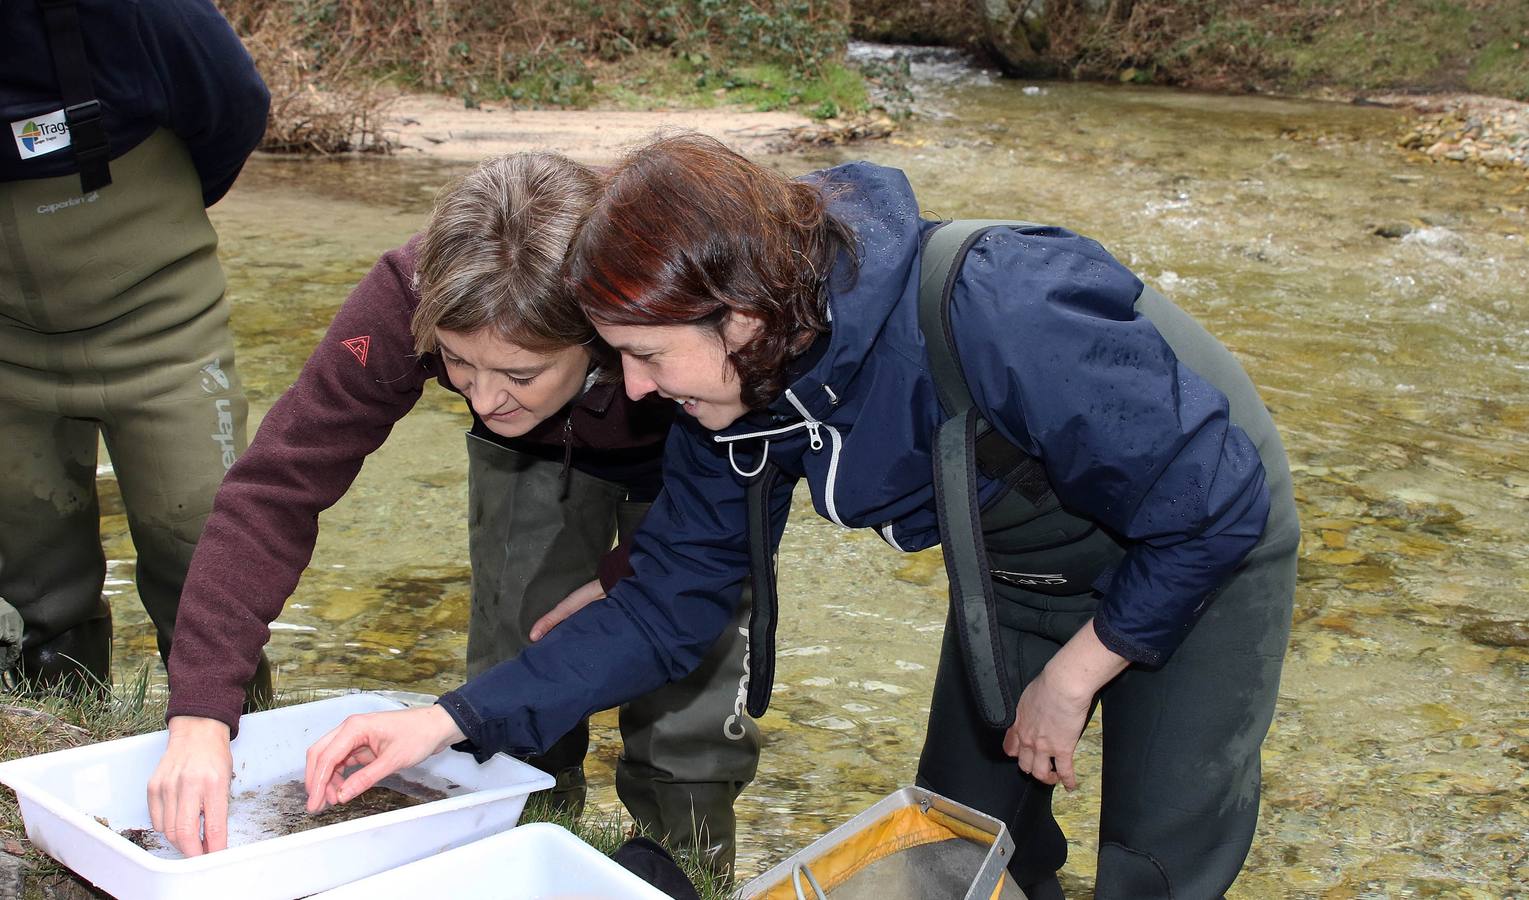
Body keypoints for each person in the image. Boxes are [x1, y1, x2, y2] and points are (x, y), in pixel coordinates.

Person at [304, 133, 1299, 899]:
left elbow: (1212, 504)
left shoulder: (1004, 308)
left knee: (1150, 863)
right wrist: (445, 721)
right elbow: (665, 612)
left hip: (1195, 538)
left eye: (647, 357)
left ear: (737, 316)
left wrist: (1075, 673)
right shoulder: (729, 398)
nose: (636, 393)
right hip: (1016, 565)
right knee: (951, 843)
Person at [147, 152, 759, 874]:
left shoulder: (666, 310)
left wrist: (633, 570)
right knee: (519, 647)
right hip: (537, 456)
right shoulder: (406, 297)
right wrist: (200, 712)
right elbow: (276, 489)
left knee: (690, 686)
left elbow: (738, 498)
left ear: (598, 328)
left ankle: (687, 864)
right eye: (458, 363)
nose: (483, 399)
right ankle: (523, 841)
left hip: (695, 446)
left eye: (520, 371)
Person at [1, 0, 270, 692]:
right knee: (35, 590)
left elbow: (235, 106)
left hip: (164, 325)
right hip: (4, 351)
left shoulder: (143, 11)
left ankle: (232, 750)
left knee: (206, 563)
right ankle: (54, 745)